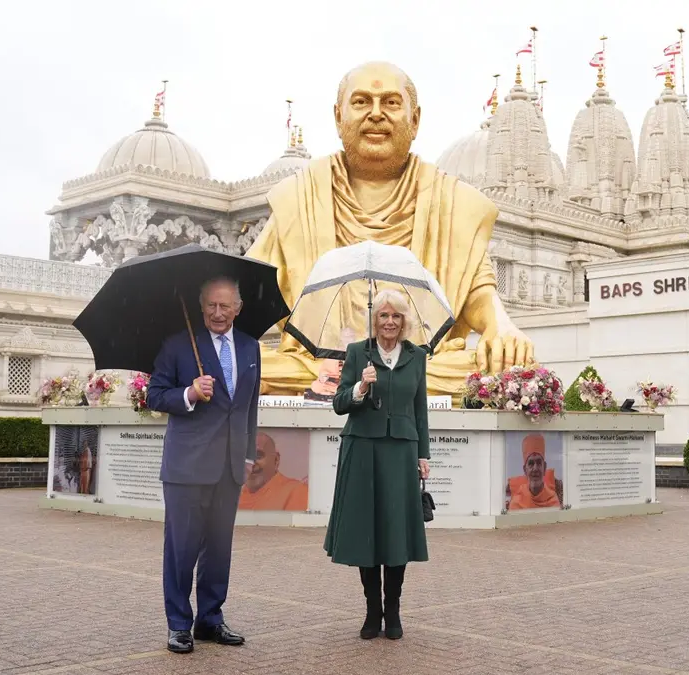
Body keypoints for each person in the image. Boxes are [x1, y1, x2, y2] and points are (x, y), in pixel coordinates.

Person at [247, 61, 535, 402]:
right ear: (339, 117)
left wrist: (500, 326)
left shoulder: (452, 201)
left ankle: (374, 380)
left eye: (391, 103)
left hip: (420, 361)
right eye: (361, 102)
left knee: (499, 368)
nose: (376, 114)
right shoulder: (299, 197)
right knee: (243, 363)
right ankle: (358, 380)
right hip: (317, 362)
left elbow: (478, 292)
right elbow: (251, 291)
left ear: (414, 120)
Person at [147, 277, 261, 655]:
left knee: (219, 548)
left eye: (225, 306)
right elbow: (155, 395)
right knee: (181, 549)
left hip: (229, 467)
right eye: (211, 305)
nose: (217, 313)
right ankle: (179, 624)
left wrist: (247, 455)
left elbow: (248, 408)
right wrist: (189, 393)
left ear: (237, 308)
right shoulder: (179, 345)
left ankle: (211, 618)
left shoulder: (249, 347)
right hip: (187, 467)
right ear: (201, 306)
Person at [324, 288, 431, 641]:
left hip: (401, 450)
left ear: (404, 321)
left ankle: (394, 610)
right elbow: (340, 403)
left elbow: (420, 409)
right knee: (366, 530)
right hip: (362, 449)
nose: (389, 322)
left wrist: (423, 454)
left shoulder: (417, 357)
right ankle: (372, 611)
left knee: (395, 530)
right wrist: (359, 387)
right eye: (383, 315)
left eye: (395, 316)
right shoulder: (358, 353)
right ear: (375, 319)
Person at [238, 431, 309, 510]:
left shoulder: (296, 491)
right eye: (244, 457)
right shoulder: (235, 497)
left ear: (276, 460)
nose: (250, 465)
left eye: (258, 456)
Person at [508, 434, 560, 510]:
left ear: (544, 467)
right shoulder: (516, 503)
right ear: (525, 470)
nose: (535, 468)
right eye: (531, 463)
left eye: (539, 463)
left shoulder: (553, 500)